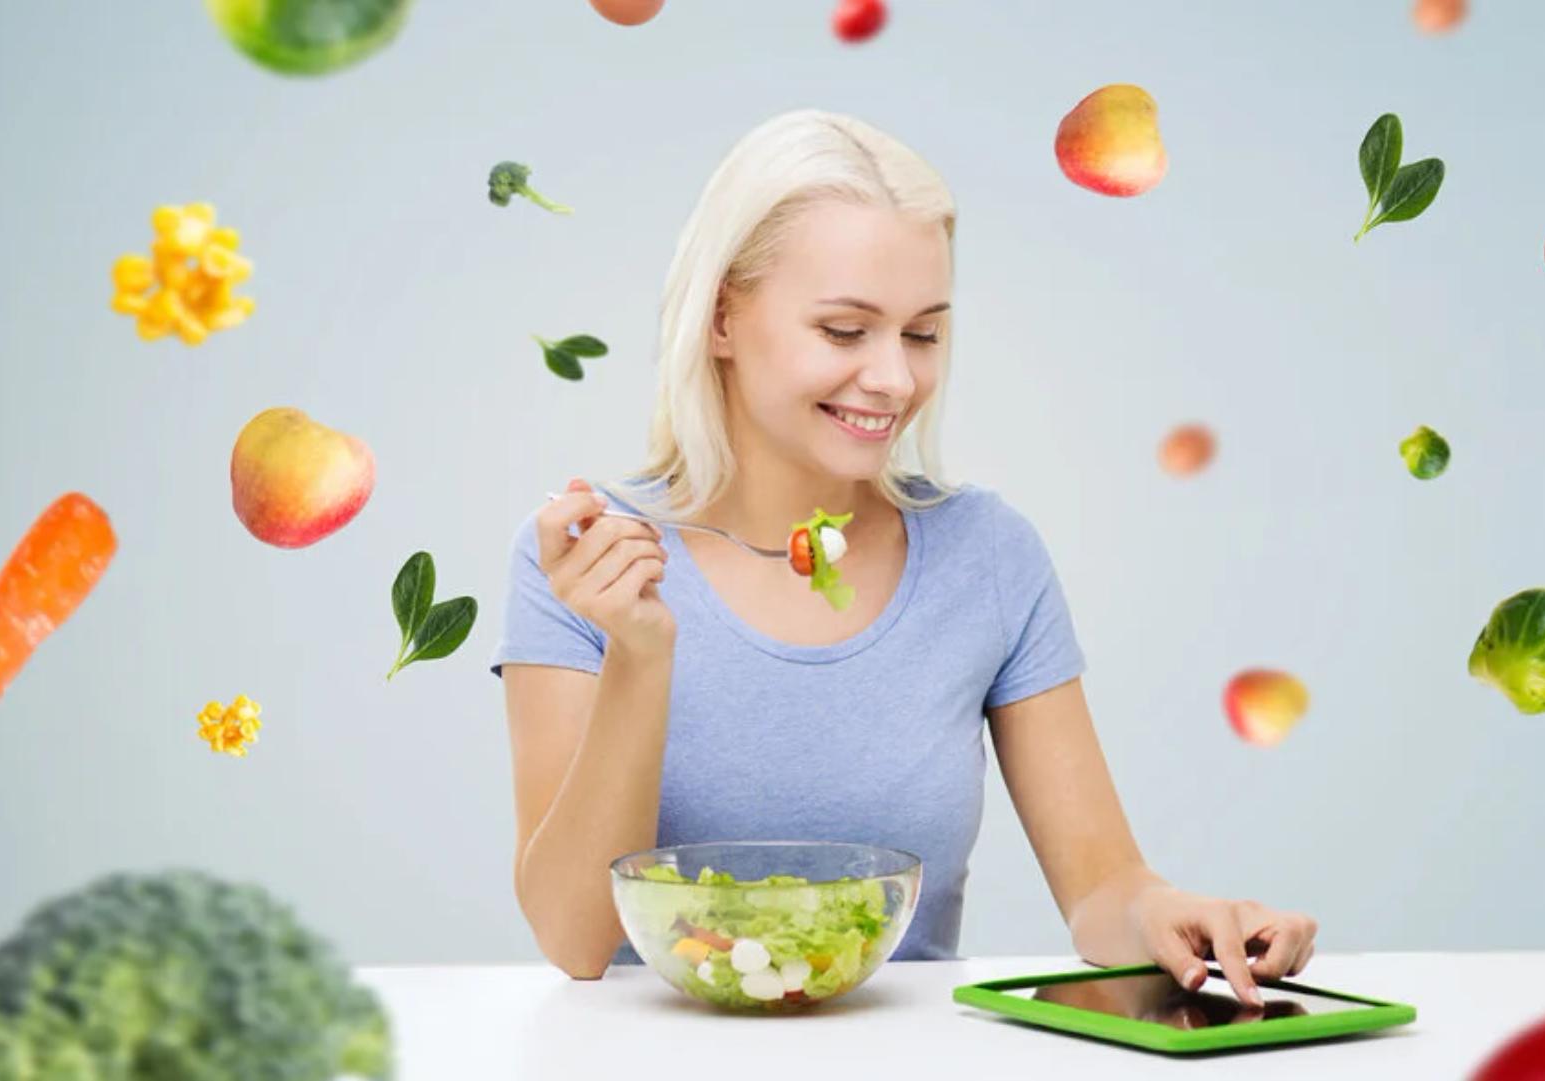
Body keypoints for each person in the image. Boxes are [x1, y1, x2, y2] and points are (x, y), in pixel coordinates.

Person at [490, 108, 1317, 1007]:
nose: (894, 379)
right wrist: (640, 652)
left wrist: (1175, 913)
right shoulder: (588, 560)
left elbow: (1102, 888)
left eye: (922, 334)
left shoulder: (989, 555)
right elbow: (575, 939)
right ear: (723, 316)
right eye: (846, 331)